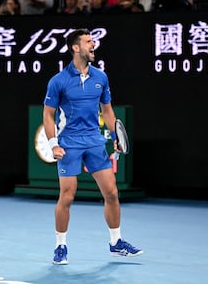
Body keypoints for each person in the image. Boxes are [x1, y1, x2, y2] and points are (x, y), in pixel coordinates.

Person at [42, 28, 143, 265]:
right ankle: (60, 246)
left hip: (94, 141)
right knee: (67, 197)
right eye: (88, 42)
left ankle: (116, 242)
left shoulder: (101, 77)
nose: (93, 45)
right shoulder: (58, 81)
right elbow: (48, 115)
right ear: (75, 48)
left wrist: (116, 133)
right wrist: (53, 144)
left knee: (112, 193)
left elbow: (107, 110)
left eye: (93, 41)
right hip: (69, 143)